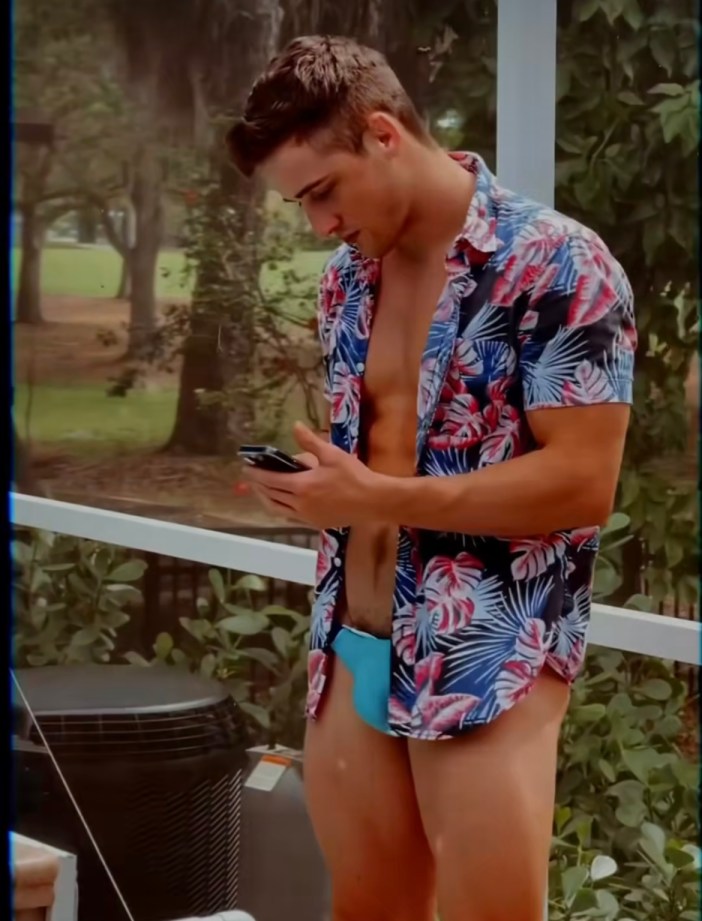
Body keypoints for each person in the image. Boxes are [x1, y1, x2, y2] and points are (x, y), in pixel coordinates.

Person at [228, 35, 636, 921]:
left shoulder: (559, 263)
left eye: (323, 192)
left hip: (488, 653)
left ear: (383, 134)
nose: (319, 224)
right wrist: (321, 489)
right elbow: (389, 453)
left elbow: (582, 483)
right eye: (301, 203)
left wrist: (377, 497)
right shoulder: (347, 282)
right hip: (353, 638)